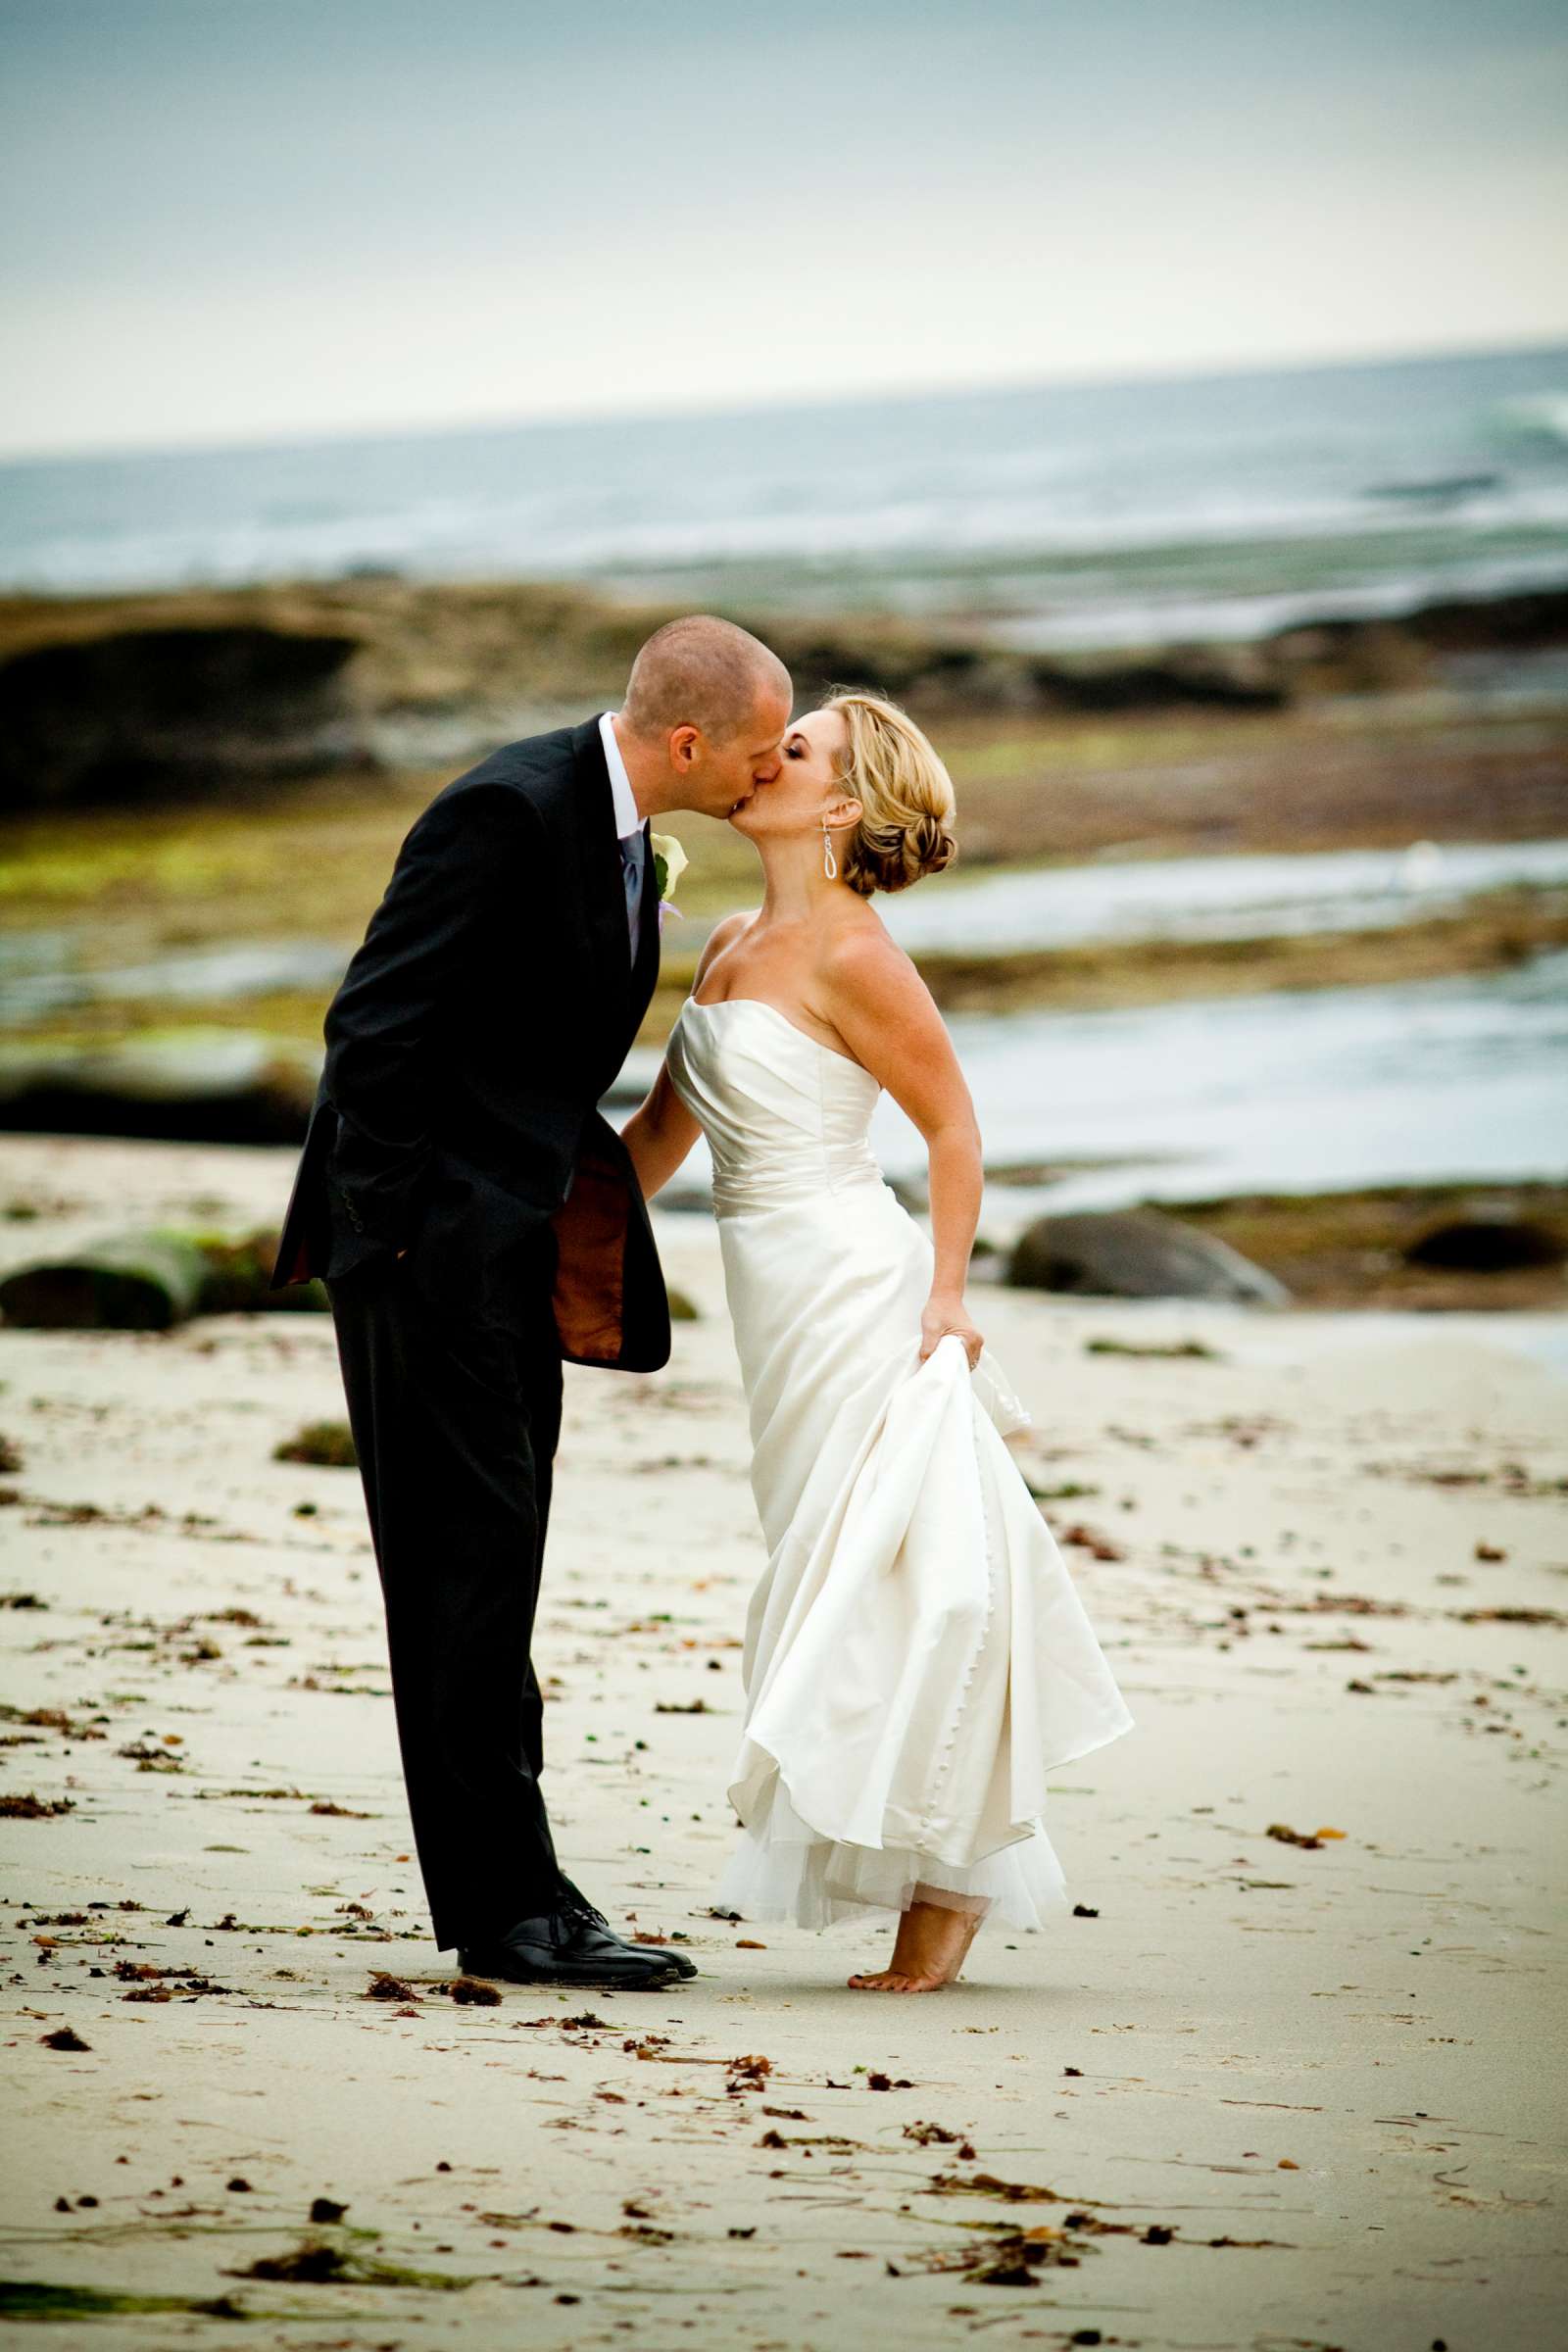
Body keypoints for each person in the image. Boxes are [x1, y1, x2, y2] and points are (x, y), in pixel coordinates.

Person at [269, 615, 793, 1989]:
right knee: (461, 1574)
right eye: (757, 747)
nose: (772, 767)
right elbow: (372, 1027)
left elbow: (532, 1063)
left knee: (496, 1571)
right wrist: (388, 1251)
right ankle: (507, 1916)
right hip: (424, 1256)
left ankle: (531, 1891)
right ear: (690, 741)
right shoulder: (508, 808)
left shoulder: (626, 834)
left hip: (504, 1255)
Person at [621, 689, 1134, 1991]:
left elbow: (954, 1131)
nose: (762, 756)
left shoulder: (859, 958)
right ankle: (929, 1871)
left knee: (908, 1568)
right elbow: (660, 1144)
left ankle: (949, 1890)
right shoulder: (731, 939)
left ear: (843, 803)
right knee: (825, 1555)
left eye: (794, 749)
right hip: (771, 1300)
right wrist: (517, 1217)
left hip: (857, 1281)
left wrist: (950, 1299)